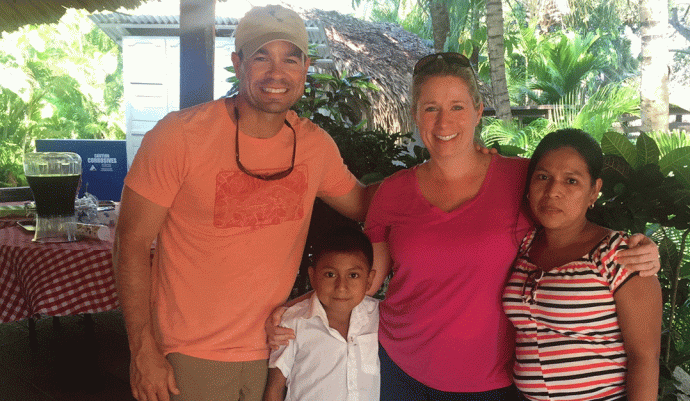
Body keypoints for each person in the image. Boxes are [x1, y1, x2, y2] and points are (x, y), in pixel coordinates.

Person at [361, 53, 661, 400]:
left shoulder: (522, 178)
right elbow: (365, 280)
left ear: (478, 111)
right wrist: (310, 302)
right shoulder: (392, 192)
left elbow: (576, 214)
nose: (444, 122)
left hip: (489, 383)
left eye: (457, 107)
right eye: (430, 108)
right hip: (399, 368)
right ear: (415, 114)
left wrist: (642, 249)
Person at [112, 5, 370, 401]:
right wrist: (143, 350)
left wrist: (442, 173)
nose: (276, 73)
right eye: (262, 57)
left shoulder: (314, 146)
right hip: (190, 354)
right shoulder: (179, 136)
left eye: (290, 59)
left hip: (277, 346)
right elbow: (129, 243)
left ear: (305, 68)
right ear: (238, 63)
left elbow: (367, 206)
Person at [502, 129, 662, 400]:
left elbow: (645, 358)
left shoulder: (620, 255)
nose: (553, 192)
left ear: (594, 190)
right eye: (543, 177)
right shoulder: (524, 245)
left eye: (571, 181)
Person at [263, 226, 380, 401]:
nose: (341, 287)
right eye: (330, 274)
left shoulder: (377, 316)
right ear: (313, 277)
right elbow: (275, 387)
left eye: (353, 275)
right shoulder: (293, 323)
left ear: (369, 280)